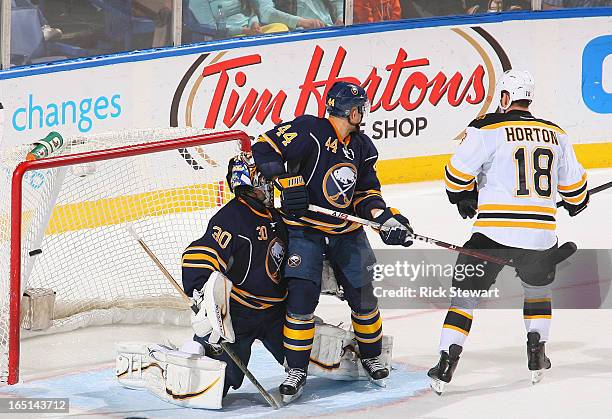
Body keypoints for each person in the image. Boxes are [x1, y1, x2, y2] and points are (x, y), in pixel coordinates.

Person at [428, 70, 589, 394]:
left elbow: (455, 177)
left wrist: (464, 197)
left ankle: (447, 361)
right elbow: (576, 191)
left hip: (492, 234)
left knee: (465, 297)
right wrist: (574, 202)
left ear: (504, 97)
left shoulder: (487, 128)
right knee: (537, 291)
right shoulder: (556, 133)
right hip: (540, 237)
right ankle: (536, 353)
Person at [252, 81, 414, 402]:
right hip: (304, 230)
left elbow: (367, 194)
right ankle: (296, 369)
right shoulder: (309, 129)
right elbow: (263, 145)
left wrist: (386, 219)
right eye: (360, 108)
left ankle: (371, 355)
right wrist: (285, 180)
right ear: (349, 110)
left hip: (346, 231)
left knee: (364, 297)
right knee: (301, 301)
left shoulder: (363, 147)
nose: (362, 113)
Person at [182, 151, 288, 397]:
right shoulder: (232, 217)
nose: (272, 186)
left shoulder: (275, 214)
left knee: (304, 359)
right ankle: (191, 356)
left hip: (276, 313)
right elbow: (201, 253)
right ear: (249, 186)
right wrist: (200, 294)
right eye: (265, 181)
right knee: (214, 385)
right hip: (238, 315)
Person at [187, 0, 289, 37]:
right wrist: (245, 31)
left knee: (280, 27)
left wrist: (254, 24)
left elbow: (251, 13)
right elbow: (210, 27)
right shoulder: (196, 1)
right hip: (227, 37)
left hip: (251, 32)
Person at [254, 0, 343, 29]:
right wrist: (300, 22)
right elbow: (265, 13)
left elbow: (337, 1)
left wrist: (341, 17)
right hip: (292, 36)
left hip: (331, 28)